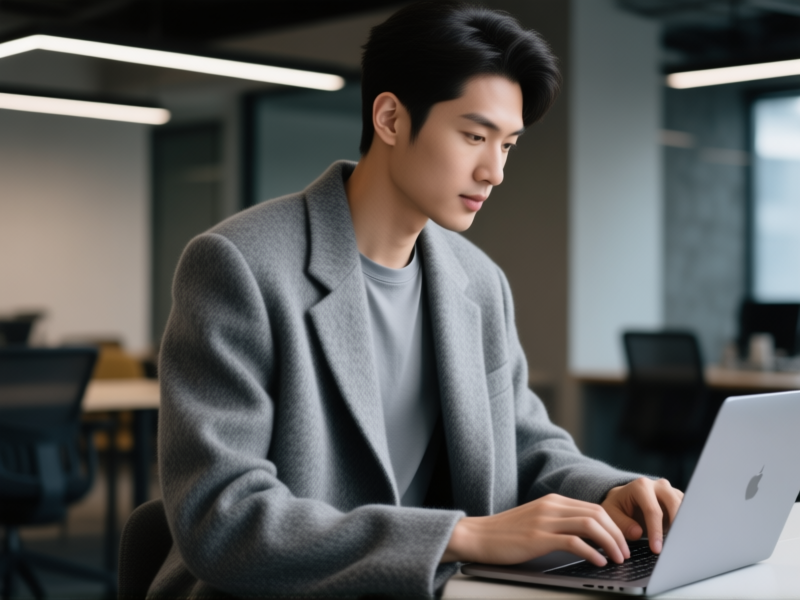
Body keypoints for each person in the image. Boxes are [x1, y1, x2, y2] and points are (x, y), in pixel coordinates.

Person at [150, 2, 684, 598]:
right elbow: (221, 516)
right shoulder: (238, 265)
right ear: (390, 119)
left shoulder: (478, 280)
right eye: (474, 136)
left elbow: (525, 443)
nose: (494, 172)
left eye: (507, 145)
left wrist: (611, 490)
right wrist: (461, 536)